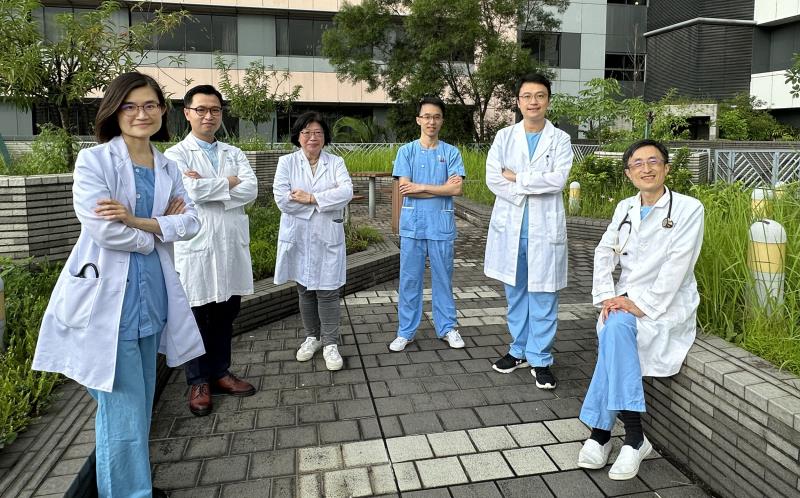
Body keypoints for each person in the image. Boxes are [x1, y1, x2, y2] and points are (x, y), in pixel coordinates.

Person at [32, 72, 204, 498]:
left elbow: (192, 222)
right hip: (109, 302)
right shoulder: (94, 161)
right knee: (124, 411)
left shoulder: (167, 166)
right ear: (114, 111)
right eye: (129, 106)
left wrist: (135, 219)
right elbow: (104, 229)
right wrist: (158, 229)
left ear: (163, 111)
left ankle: (131, 487)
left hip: (153, 299)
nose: (140, 114)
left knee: (137, 405)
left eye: (149, 105)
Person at [577, 139, 704, 480]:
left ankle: (606, 434)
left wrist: (641, 304)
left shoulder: (689, 209)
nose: (646, 168)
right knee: (617, 326)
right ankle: (632, 439)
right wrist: (607, 295)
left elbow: (679, 265)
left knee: (615, 332)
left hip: (667, 302)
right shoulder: (625, 207)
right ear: (629, 173)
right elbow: (604, 251)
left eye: (653, 161)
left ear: (666, 168)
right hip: (624, 299)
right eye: (637, 164)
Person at [164, 85, 259, 417]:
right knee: (197, 315)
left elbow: (251, 189)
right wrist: (228, 182)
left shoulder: (234, 152)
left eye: (215, 110)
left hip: (230, 245)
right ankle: (198, 381)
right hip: (197, 248)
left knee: (226, 312)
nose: (209, 116)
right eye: (201, 109)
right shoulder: (176, 155)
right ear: (187, 112)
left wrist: (210, 184)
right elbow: (188, 191)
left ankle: (221, 372)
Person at [484, 73, 574, 389]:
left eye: (539, 95)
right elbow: (493, 179)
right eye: (526, 96)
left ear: (548, 100)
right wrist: (530, 182)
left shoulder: (560, 140)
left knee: (544, 296)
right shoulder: (504, 137)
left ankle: (541, 358)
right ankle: (518, 350)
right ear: (518, 101)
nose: (533, 102)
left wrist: (517, 178)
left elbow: (558, 180)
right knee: (516, 294)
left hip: (544, 232)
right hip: (511, 232)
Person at [273, 111, 353, 370]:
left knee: (328, 291)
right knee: (305, 290)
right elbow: (282, 200)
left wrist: (310, 198)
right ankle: (312, 337)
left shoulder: (336, 163)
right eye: (306, 132)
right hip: (298, 235)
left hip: (327, 236)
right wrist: (323, 201)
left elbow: (346, 193)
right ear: (298, 136)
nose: (312, 137)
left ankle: (330, 343)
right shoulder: (287, 162)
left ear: (324, 136)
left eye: (318, 132)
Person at [388, 96, 466, 352]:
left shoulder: (451, 152)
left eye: (436, 117)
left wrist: (421, 186)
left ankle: (448, 328)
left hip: (441, 226)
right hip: (413, 225)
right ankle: (406, 331)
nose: (431, 121)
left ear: (441, 121)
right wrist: (440, 189)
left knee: (443, 278)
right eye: (427, 116)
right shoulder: (406, 151)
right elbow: (404, 189)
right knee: (410, 279)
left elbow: (457, 189)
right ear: (418, 120)